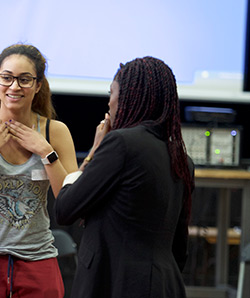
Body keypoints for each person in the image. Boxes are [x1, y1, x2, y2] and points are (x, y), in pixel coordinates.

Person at [55, 56, 195, 298]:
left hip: (114, 283)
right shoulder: (183, 160)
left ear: (129, 96)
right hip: (165, 284)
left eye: (112, 92)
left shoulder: (121, 143)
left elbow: (65, 208)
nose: (109, 102)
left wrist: (93, 153)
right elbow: (179, 247)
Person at [0, 44, 78, 298]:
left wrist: (46, 152)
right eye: (6, 78)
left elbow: (70, 206)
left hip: (37, 261)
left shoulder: (56, 132)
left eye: (24, 80)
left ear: (38, 85)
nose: (14, 87)